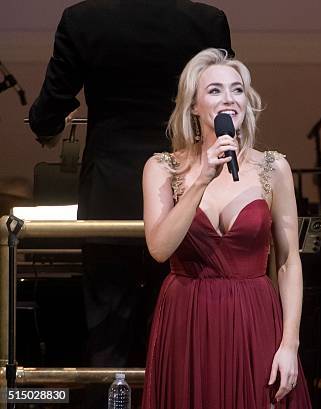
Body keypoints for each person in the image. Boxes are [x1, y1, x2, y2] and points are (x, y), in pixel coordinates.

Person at [27, 0, 234, 375]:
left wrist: (47, 128)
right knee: (180, 317)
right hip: (181, 183)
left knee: (107, 329)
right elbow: (221, 102)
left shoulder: (83, 19)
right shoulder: (206, 20)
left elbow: (50, 108)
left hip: (109, 187)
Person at [141, 49, 311, 408]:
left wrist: (289, 344)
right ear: (193, 106)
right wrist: (201, 179)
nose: (229, 99)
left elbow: (288, 261)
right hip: (188, 316)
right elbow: (159, 248)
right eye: (215, 90)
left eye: (237, 90)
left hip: (255, 317)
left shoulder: (273, 167)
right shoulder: (163, 167)